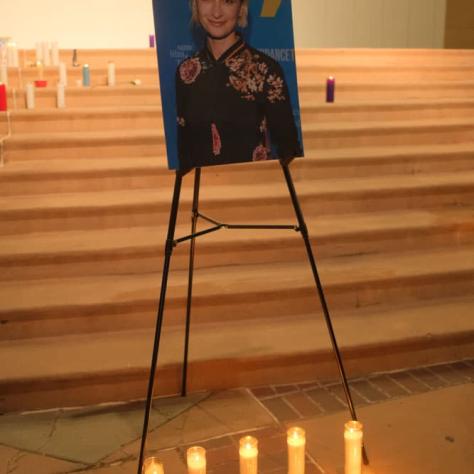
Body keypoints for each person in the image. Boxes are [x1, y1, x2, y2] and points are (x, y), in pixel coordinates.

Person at [176, 0, 302, 170]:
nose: (216, 12)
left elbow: (289, 150)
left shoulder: (265, 71)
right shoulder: (185, 72)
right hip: (202, 191)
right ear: (195, 5)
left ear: (241, 8)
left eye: (228, 1)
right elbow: (185, 153)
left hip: (252, 188)